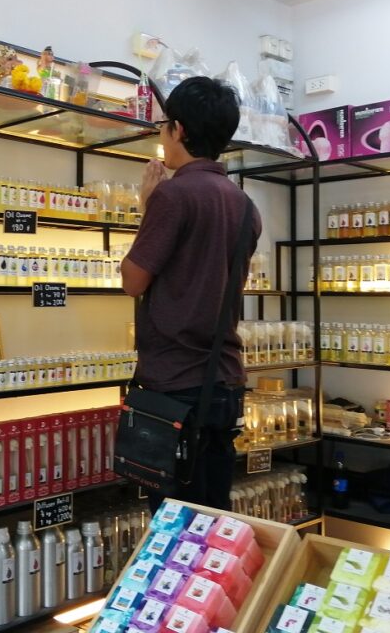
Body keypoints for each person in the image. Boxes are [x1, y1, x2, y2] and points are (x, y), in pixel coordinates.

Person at [120, 75, 261, 512]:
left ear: (178, 129)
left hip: (175, 384)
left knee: (172, 520)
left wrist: (147, 207)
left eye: (163, 126)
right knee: (211, 514)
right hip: (224, 380)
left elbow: (132, 281)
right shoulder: (245, 205)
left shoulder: (173, 196)